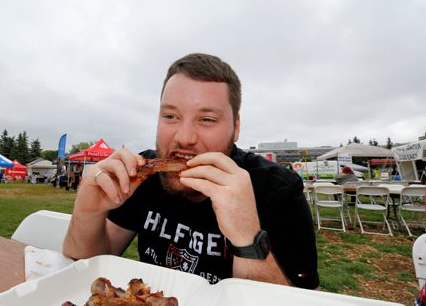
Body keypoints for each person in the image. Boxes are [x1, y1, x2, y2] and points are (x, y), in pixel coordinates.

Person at [63, 53, 319, 289]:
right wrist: (87, 211)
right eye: (171, 116)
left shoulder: (279, 189)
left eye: (207, 119)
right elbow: (85, 264)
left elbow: (305, 299)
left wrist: (248, 237)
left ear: (236, 127)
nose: (184, 138)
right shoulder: (142, 176)